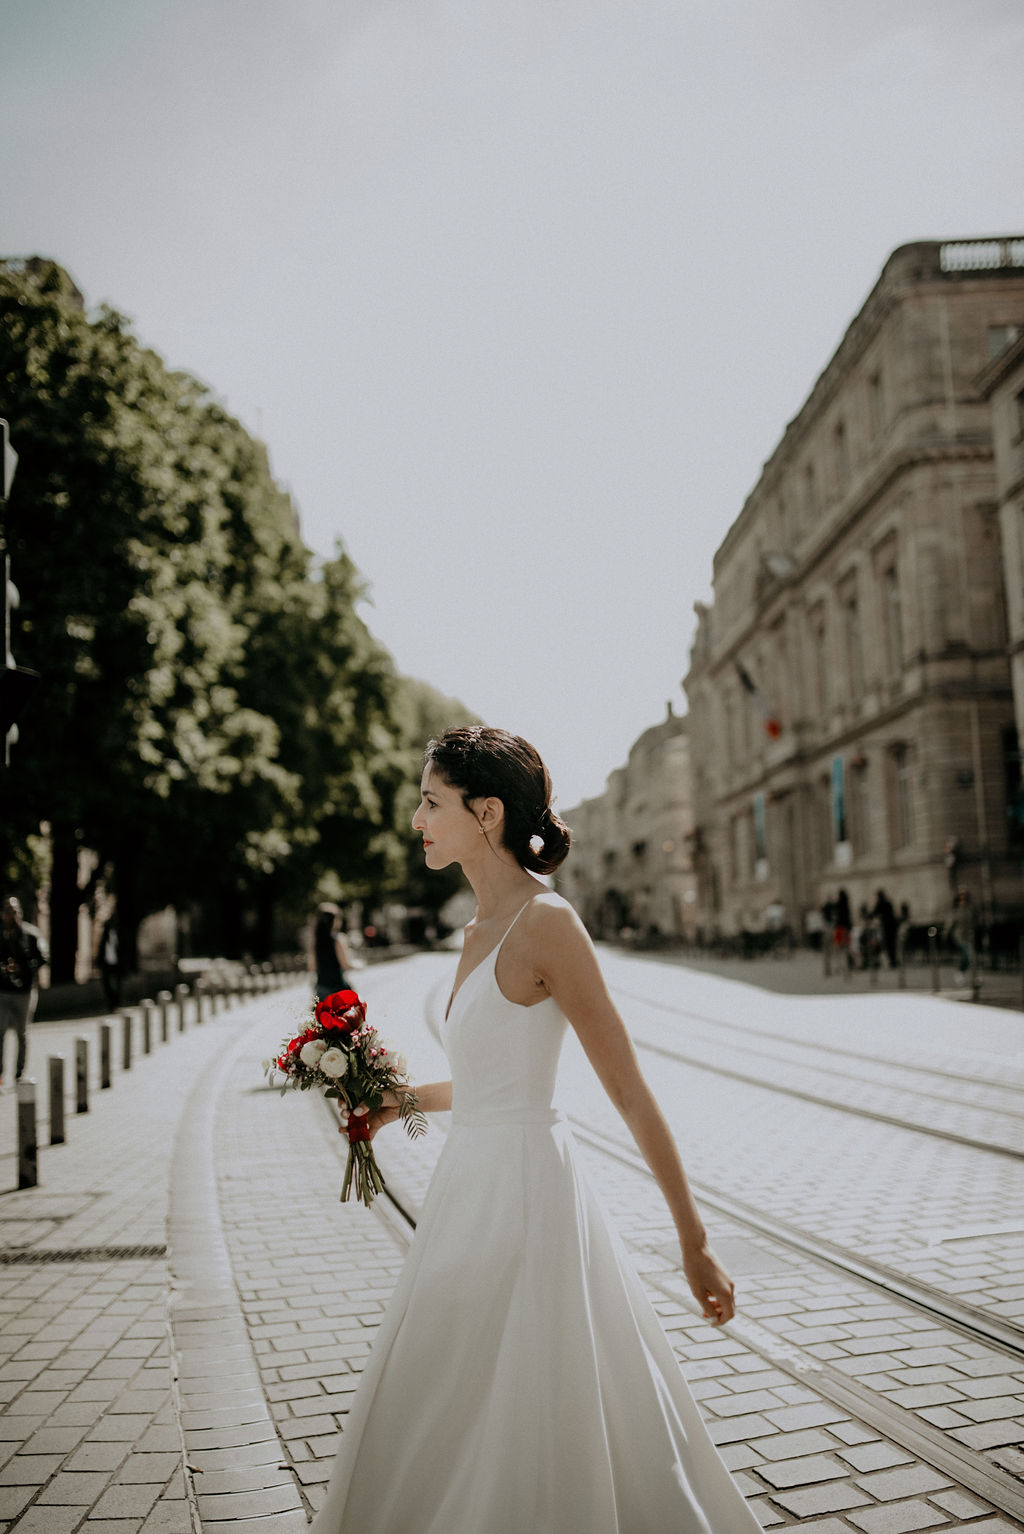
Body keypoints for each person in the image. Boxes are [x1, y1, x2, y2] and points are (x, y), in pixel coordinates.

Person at [310, 726, 760, 1534]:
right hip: (465, 1197)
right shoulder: (476, 932)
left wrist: (693, 1241)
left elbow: (628, 1092)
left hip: (529, 1201)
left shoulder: (547, 924)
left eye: (430, 801)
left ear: (486, 814)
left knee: (528, 1403)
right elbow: (491, 1087)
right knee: (446, 1397)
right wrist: (396, 1101)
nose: (416, 818)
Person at [0, 897, 47, 1087]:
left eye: (14, 911)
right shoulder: (1, 935)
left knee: (22, 1033)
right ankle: (0, 1075)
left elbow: (43, 958)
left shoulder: (30, 934)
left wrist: (25, 968)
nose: (11, 915)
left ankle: (19, 1073)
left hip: (24, 991)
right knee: (0, 1032)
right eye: (7, 912)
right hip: (3, 991)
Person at [312, 903, 352, 999]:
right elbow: (346, 965)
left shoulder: (315, 941)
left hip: (321, 988)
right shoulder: (338, 939)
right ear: (334, 920)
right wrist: (359, 965)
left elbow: (312, 966)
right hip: (338, 988)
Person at [98, 917, 122, 1010]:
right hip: (107, 963)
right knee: (106, 984)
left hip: (117, 963)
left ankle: (116, 1002)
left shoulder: (118, 935)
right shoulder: (105, 937)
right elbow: (101, 950)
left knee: (117, 984)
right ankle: (111, 1002)